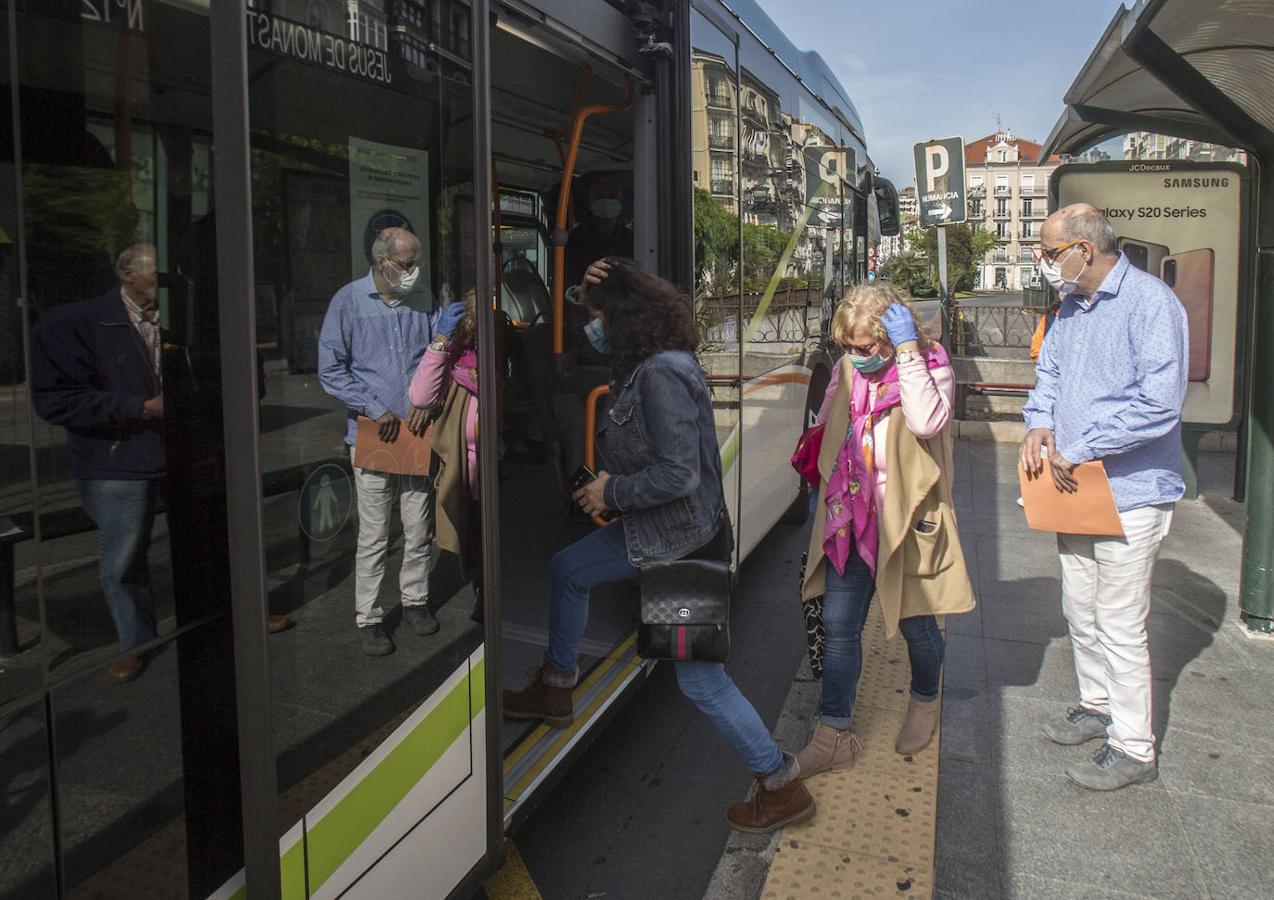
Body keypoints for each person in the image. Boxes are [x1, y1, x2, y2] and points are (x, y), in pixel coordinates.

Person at [503, 258, 815, 834]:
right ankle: (556, 686)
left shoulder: (661, 375)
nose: (590, 328)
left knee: (701, 680)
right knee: (568, 568)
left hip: (682, 547)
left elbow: (678, 475)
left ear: (622, 321)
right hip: (664, 532)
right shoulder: (652, 362)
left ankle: (779, 782)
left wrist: (610, 491)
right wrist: (594, 284)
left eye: (597, 317)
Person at [1021, 203, 1187, 791]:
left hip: (1132, 492)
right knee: (1080, 607)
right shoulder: (1071, 306)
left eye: (1048, 252)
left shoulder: (1150, 304)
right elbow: (1051, 379)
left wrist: (1082, 445)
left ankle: (1134, 745)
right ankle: (1096, 705)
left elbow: (1161, 404)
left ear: (1083, 250)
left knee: (1119, 620)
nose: (1043, 263)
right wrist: (1040, 425)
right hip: (1075, 487)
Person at [798, 284, 975, 774]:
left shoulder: (930, 361)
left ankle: (924, 699)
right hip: (850, 518)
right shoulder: (849, 367)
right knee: (838, 625)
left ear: (888, 335)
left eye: (865, 346)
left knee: (915, 621)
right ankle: (832, 731)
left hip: (905, 518)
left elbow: (926, 421)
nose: (856, 356)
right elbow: (829, 426)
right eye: (848, 347)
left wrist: (907, 353)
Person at [319, 227, 438, 656]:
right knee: (373, 534)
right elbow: (330, 369)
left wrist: (430, 400)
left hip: (416, 432)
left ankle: (415, 601)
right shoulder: (349, 301)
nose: (413, 272)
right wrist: (373, 406)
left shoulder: (423, 299)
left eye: (415, 262)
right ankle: (368, 617)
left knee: (418, 526)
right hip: (372, 434)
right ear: (382, 261)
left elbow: (436, 356)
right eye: (406, 264)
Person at [409, 290, 482, 619]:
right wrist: (440, 341)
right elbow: (422, 397)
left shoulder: (505, 364)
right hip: (469, 479)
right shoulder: (457, 358)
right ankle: (482, 585)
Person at [563, 177, 634, 290]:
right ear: (591, 203)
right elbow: (568, 281)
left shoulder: (631, 239)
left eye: (612, 197)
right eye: (600, 198)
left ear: (621, 203)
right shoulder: (577, 238)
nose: (606, 203)